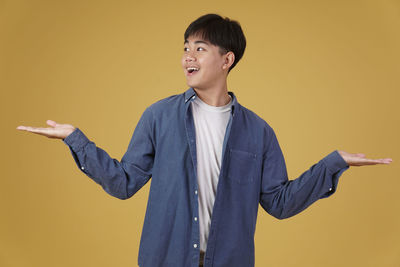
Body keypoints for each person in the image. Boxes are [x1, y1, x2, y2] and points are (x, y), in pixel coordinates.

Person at [17, 13, 392, 267]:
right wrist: (74, 139)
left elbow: (279, 202)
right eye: (185, 48)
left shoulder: (259, 132)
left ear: (226, 59)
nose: (187, 57)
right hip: (166, 258)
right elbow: (123, 182)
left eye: (199, 48)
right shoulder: (159, 116)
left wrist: (334, 163)